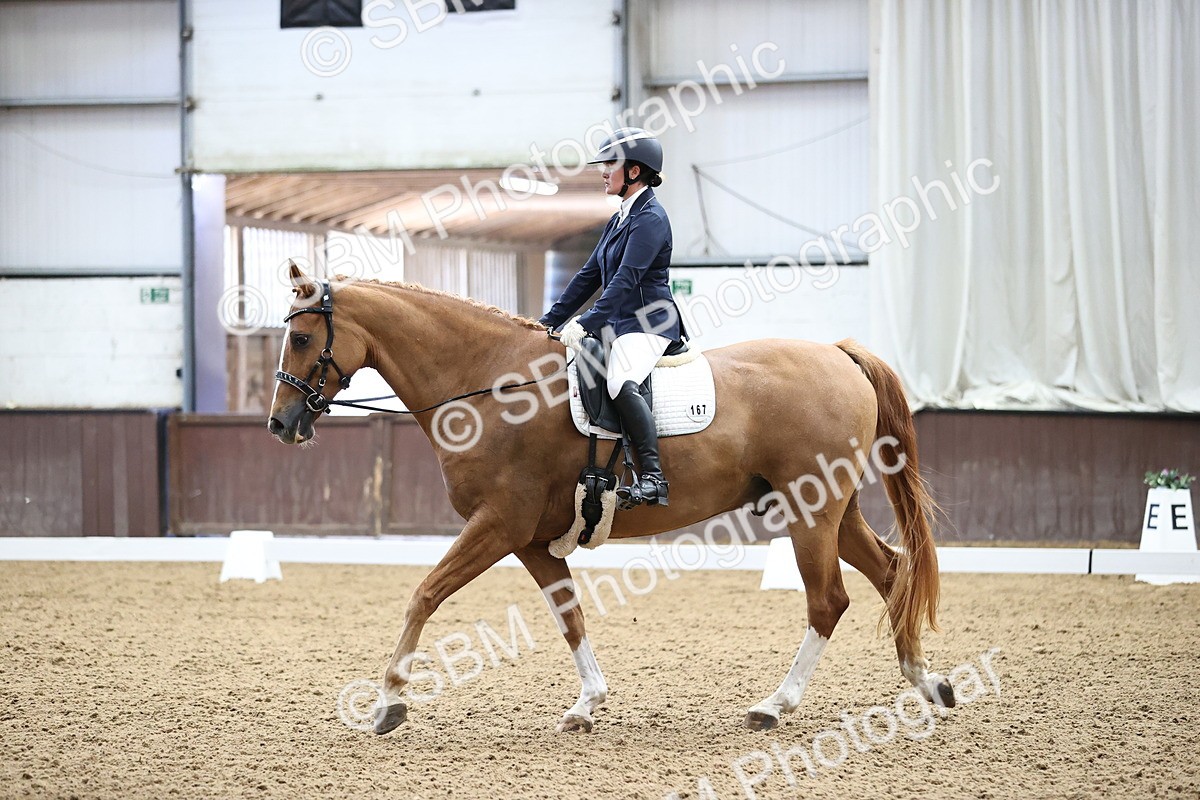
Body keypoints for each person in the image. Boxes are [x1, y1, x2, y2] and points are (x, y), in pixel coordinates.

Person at [539, 127, 686, 507]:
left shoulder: (650, 218)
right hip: (619, 324)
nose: (603, 171)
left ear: (634, 172)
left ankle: (654, 478)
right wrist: (547, 323)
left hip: (648, 322)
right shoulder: (620, 218)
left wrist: (586, 322)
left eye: (610, 165)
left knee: (621, 380)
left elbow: (625, 281)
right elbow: (588, 277)